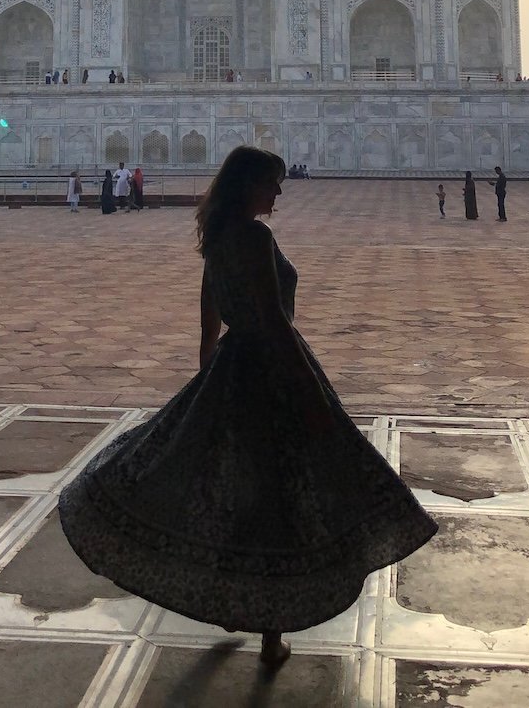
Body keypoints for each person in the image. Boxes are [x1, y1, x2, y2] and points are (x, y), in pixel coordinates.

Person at [58, 146, 436, 668]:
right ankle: (270, 633)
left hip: (233, 367)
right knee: (280, 496)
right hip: (270, 370)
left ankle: (238, 606)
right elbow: (273, 320)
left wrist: (208, 371)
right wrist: (309, 392)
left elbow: (208, 309)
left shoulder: (218, 234)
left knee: (233, 493)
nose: (278, 192)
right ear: (248, 185)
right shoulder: (254, 237)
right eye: (271, 182)